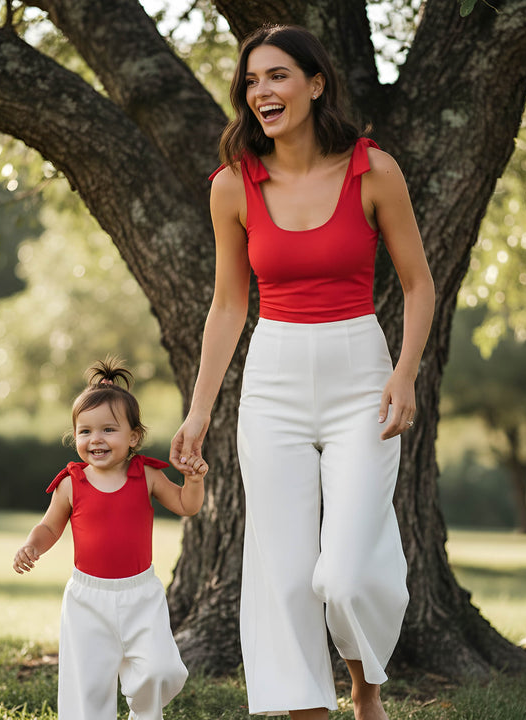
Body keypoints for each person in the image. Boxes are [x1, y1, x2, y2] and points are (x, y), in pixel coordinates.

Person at [170, 23, 434, 720]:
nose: (262, 92)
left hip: (360, 376)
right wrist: (198, 412)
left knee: (346, 572)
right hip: (274, 380)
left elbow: (418, 285)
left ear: (316, 84)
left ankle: (365, 690)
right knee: (282, 573)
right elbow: (228, 306)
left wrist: (405, 374)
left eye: (278, 76)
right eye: (252, 81)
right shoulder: (233, 186)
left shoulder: (373, 170)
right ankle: (304, 711)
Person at [13, 357, 207, 720]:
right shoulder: (72, 483)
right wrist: (31, 546)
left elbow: (186, 506)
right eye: (85, 431)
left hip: (141, 596)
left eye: (108, 430)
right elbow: (50, 527)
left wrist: (193, 480)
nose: (95, 439)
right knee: (86, 689)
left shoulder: (145, 475)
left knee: (160, 670)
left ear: (133, 436)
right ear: (75, 437)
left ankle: (144, 713)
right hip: (88, 600)